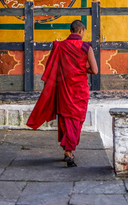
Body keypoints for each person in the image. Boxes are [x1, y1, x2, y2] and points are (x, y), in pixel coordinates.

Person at [26, 20, 98, 167]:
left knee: (66, 117)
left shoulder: (60, 46)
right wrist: (83, 69)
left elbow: (53, 67)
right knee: (76, 119)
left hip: (64, 89)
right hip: (79, 90)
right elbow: (95, 70)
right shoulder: (86, 47)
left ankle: (68, 149)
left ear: (71, 31)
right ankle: (69, 151)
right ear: (80, 31)